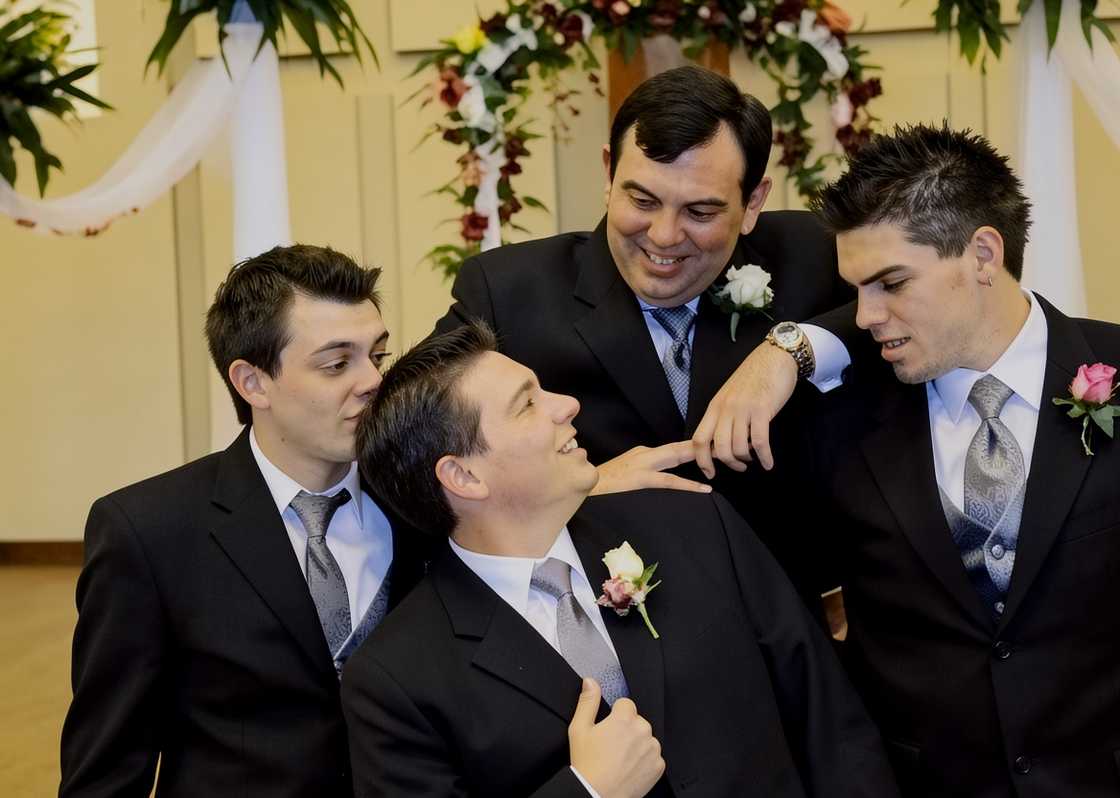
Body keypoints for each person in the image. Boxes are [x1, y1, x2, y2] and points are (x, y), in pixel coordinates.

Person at [341, 322, 899, 798]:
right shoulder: (396, 681)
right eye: (528, 403)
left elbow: (833, 727)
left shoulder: (694, 527)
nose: (567, 406)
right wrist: (586, 791)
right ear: (463, 475)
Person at [434, 64, 860, 600]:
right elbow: (413, 442)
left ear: (753, 203)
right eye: (642, 201)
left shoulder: (814, 255)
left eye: (701, 211)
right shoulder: (506, 292)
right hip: (597, 636)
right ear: (610, 172)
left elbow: (929, 309)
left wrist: (790, 349)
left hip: (792, 631)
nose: (664, 236)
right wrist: (576, 491)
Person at [804, 123, 1120, 795]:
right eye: (855, 289)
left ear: (982, 253)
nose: (863, 316)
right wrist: (785, 350)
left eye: (890, 282)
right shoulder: (838, 413)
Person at [59, 245, 431, 797]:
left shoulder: (420, 500)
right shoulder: (149, 532)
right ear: (252, 382)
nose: (372, 380)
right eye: (336, 363)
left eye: (377, 355)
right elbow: (108, 769)